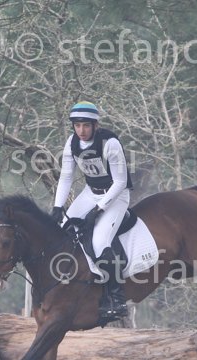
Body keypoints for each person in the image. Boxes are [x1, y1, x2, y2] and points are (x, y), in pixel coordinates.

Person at [51, 101, 132, 320]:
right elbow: (66, 177)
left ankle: (117, 299)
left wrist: (98, 210)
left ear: (95, 125)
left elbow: (120, 182)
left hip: (116, 196)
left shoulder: (109, 143)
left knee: (99, 242)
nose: (81, 130)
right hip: (90, 192)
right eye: (77, 125)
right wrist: (58, 206)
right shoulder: (72, 143)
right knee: (63, 230)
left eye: (86, 125)